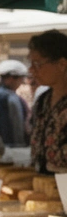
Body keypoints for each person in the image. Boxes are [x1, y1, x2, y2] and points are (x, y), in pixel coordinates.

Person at [27, 30, 67, 174]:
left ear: (62, 64)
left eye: (38, 64)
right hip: (42, 184)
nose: (31, 70)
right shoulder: (43, 100)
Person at [0, 60, 30, 147]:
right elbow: (16, 129)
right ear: (10, 79)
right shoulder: (7, 99)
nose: (21, 82)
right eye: (21, 78)